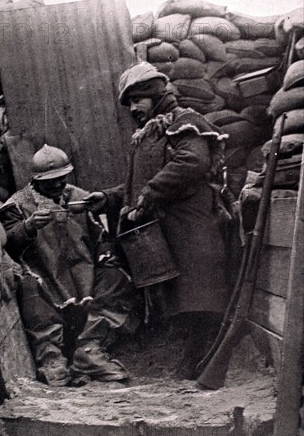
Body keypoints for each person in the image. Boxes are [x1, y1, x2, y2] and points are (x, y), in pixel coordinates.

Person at [85, 62, 229, 381]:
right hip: (171, 226)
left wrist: (149, 193)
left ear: (154, 93)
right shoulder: (150, 132)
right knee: (185, 295)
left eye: (138, 99)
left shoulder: (183, 120)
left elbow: (192, 161)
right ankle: (195, 357)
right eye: (129, 102)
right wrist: (109, 197)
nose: (133, 108)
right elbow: (140, 182)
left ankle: (202, 359)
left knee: (200, 293)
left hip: (194, 224)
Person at [0, 145, 141, 387]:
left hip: (83, 272)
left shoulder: (78, 197)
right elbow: (7, 244)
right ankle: (51, 357)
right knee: (31, 290)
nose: (56, 185)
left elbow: (100, 236)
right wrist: (28, 227)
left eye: (60, 179)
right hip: (44, 272)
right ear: (35, 180)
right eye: (49, 181)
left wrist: (106, 256)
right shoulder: (18, 205)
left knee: (116, 278)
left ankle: (89, 350)